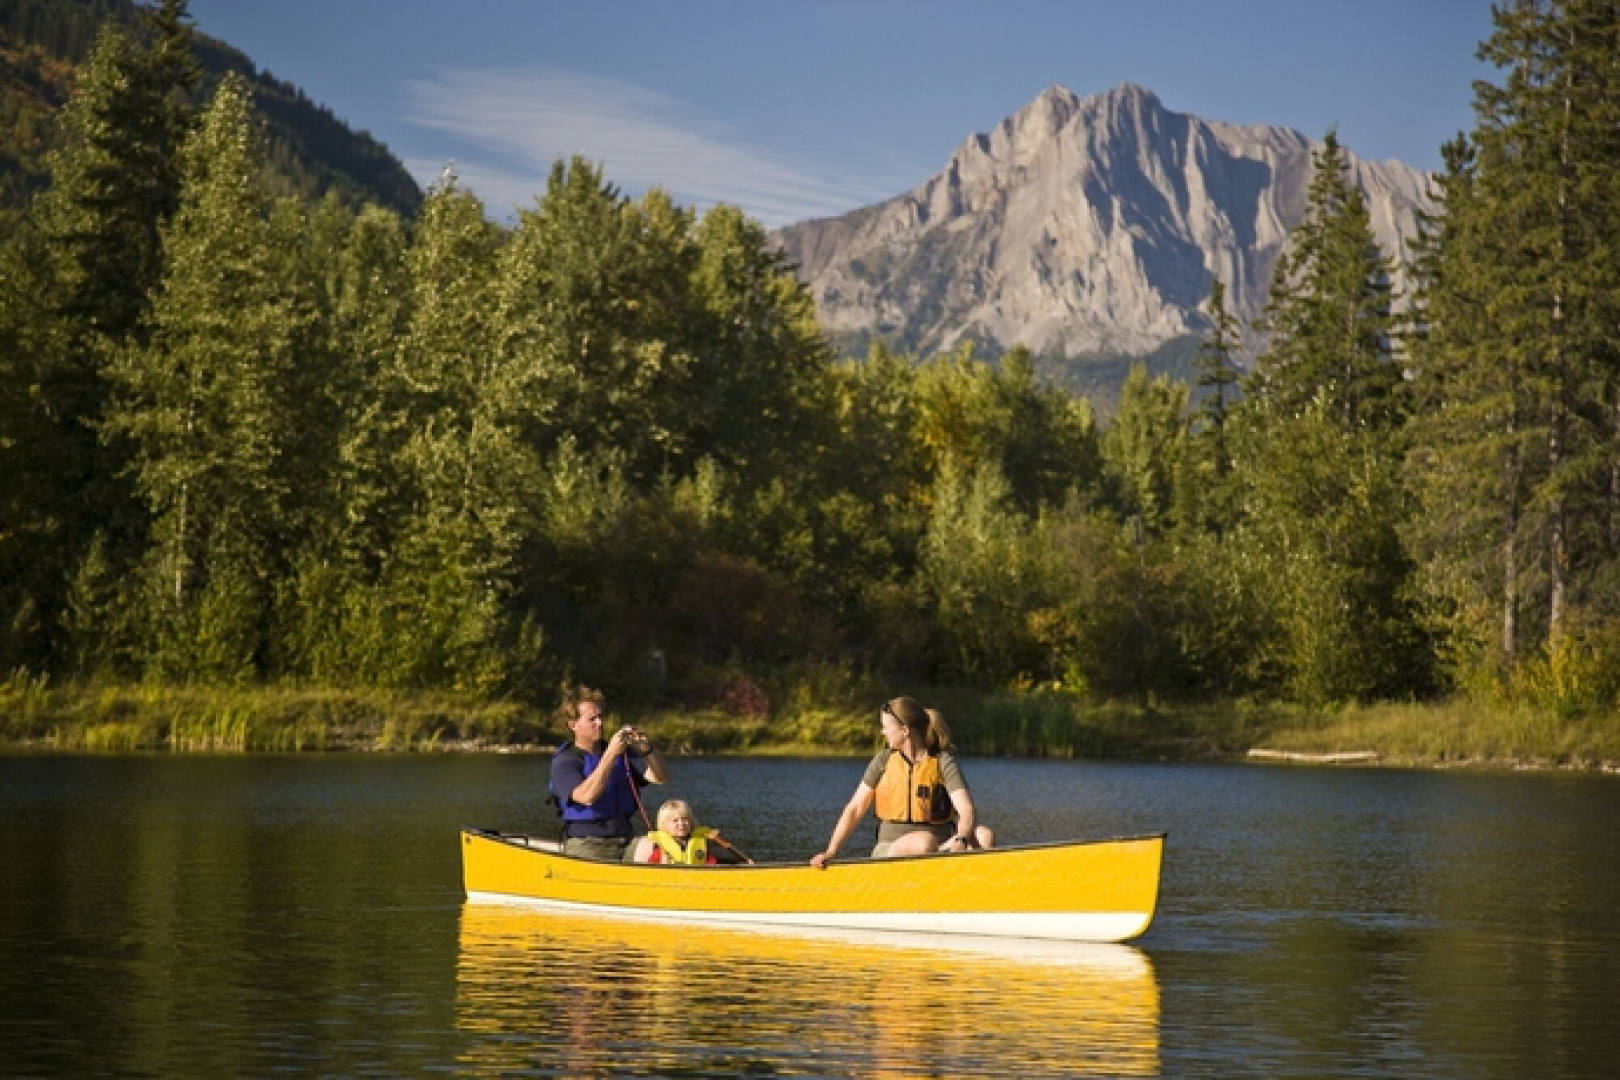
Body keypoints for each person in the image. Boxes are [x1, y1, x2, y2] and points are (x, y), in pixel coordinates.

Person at [809, 697, 995, 868]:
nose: (883, 732)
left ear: (904, 730)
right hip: (892, 849)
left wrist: (961, 839)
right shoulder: (883, 760)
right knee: (924, 842)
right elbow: (855, 809)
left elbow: (966, 809)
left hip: (942, 846)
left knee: (984, 836)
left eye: (886, 727)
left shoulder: (942, 762)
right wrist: (831, 851)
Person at [549, 692, 669, 861]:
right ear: (572, 724)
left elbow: (661, 778)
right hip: (587, 843)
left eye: (601, 717)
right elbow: (587, 797)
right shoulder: (565, 761)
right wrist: (610, 754)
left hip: (626, 839)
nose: (600, 723)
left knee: (664, 853)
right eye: (592, 719)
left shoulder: (622, 753)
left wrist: (646, 750)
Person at [631, 798, 740, 865]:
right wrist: (663, 862)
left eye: (685, 819)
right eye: (675, 821)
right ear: (664, 825)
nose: (681, 824)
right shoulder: (661, 846)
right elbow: (651, 866)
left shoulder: (697, 841)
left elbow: (710, 860)